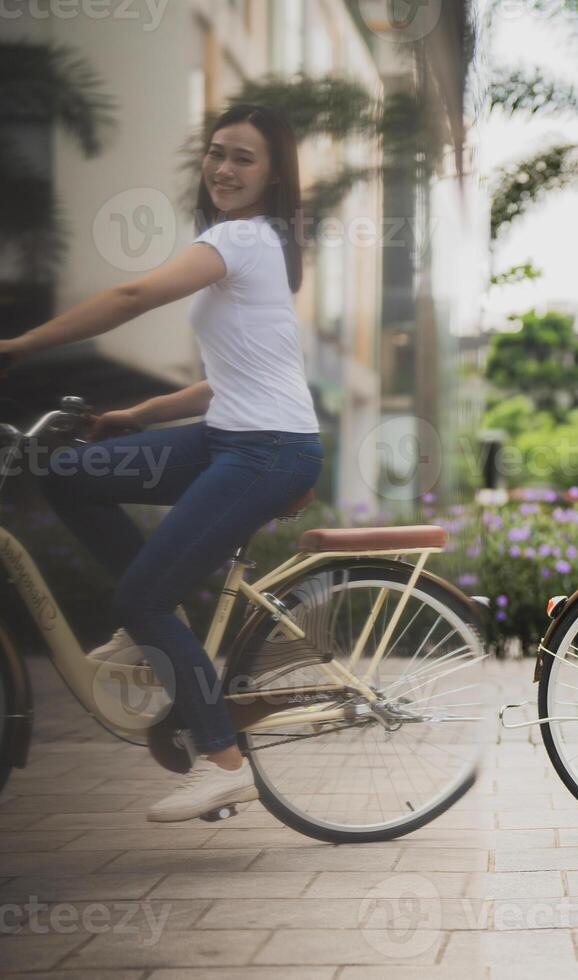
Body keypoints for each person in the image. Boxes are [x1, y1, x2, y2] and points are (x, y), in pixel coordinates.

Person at [0, 104, 323, 822]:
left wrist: (19, 346)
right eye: (217, 153)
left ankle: (222, 761)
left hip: (268, 451)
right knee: (66, 470)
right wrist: (138, 416)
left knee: (139, 598)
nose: (223, 169)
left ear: (273, 177)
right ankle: (154, 621)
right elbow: (236, 377)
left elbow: (131, 295)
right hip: (229, 433)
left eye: (243, 158)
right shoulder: (242, 246)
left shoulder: (241, 239)